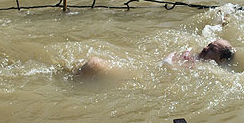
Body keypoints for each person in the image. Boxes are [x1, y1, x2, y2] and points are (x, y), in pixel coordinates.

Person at [75, 39, 234, 77]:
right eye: (208, 44)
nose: (205, 48)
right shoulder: (196, 56)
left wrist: (168, 62)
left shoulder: (206, 70)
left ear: (220, 60)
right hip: (143, 65)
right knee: (84, 62)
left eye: (212, 49)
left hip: (141, 75)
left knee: (93, 63)